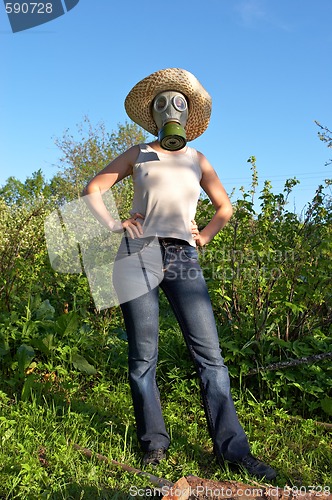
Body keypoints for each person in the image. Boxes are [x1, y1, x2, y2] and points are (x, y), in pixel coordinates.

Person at [83, 68, 277, 481]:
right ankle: (154, 446)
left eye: (179, 104)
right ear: (154, 115)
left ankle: (233, 450)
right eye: (163, 104)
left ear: (188, 116)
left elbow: (224, 207)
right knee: (143, 357)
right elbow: (92, 188)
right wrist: (115, 224)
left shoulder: (197, 159)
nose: (171, 109)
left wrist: (204, 235)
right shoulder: (138, 153)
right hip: (137, 252)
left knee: (210, 356)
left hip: (183, 256)